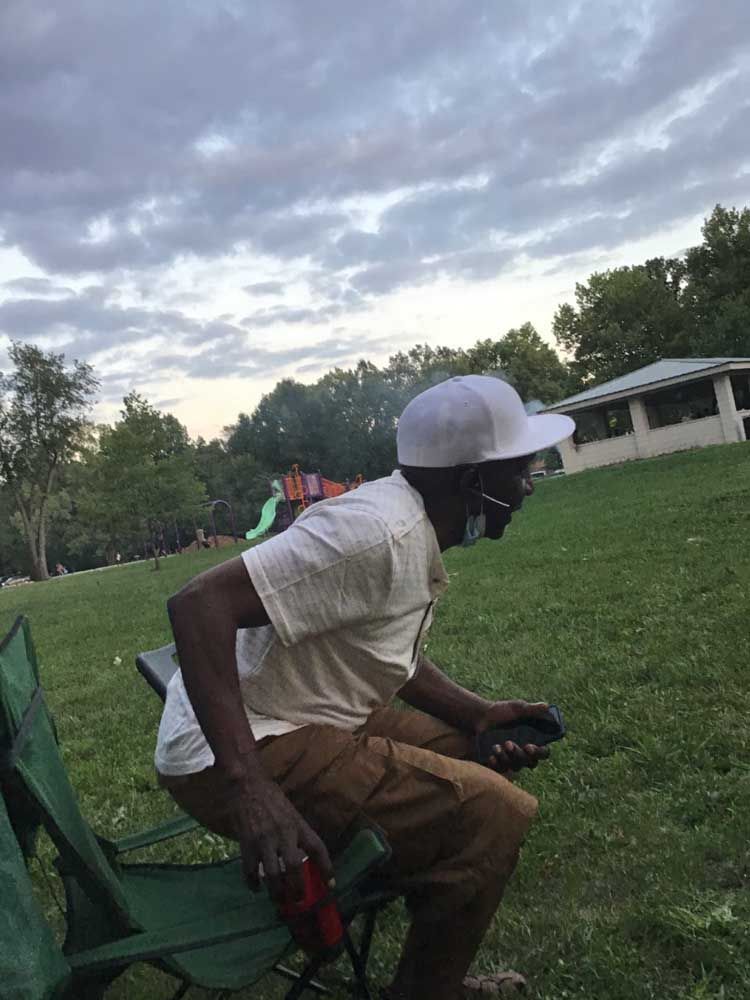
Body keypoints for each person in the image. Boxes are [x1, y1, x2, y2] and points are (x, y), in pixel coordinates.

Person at [155, 375, 574, 1000]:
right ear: (471, 481)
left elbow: (379, 652)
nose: (528, 486)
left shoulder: (408, 525)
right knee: (493, 813)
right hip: (236, 751)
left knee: (471, 754)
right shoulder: (375, 535)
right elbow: (197, 606)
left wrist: (477, 713)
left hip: (298, 715)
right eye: (518, 470)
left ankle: (429, 949)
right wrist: (253, 789)